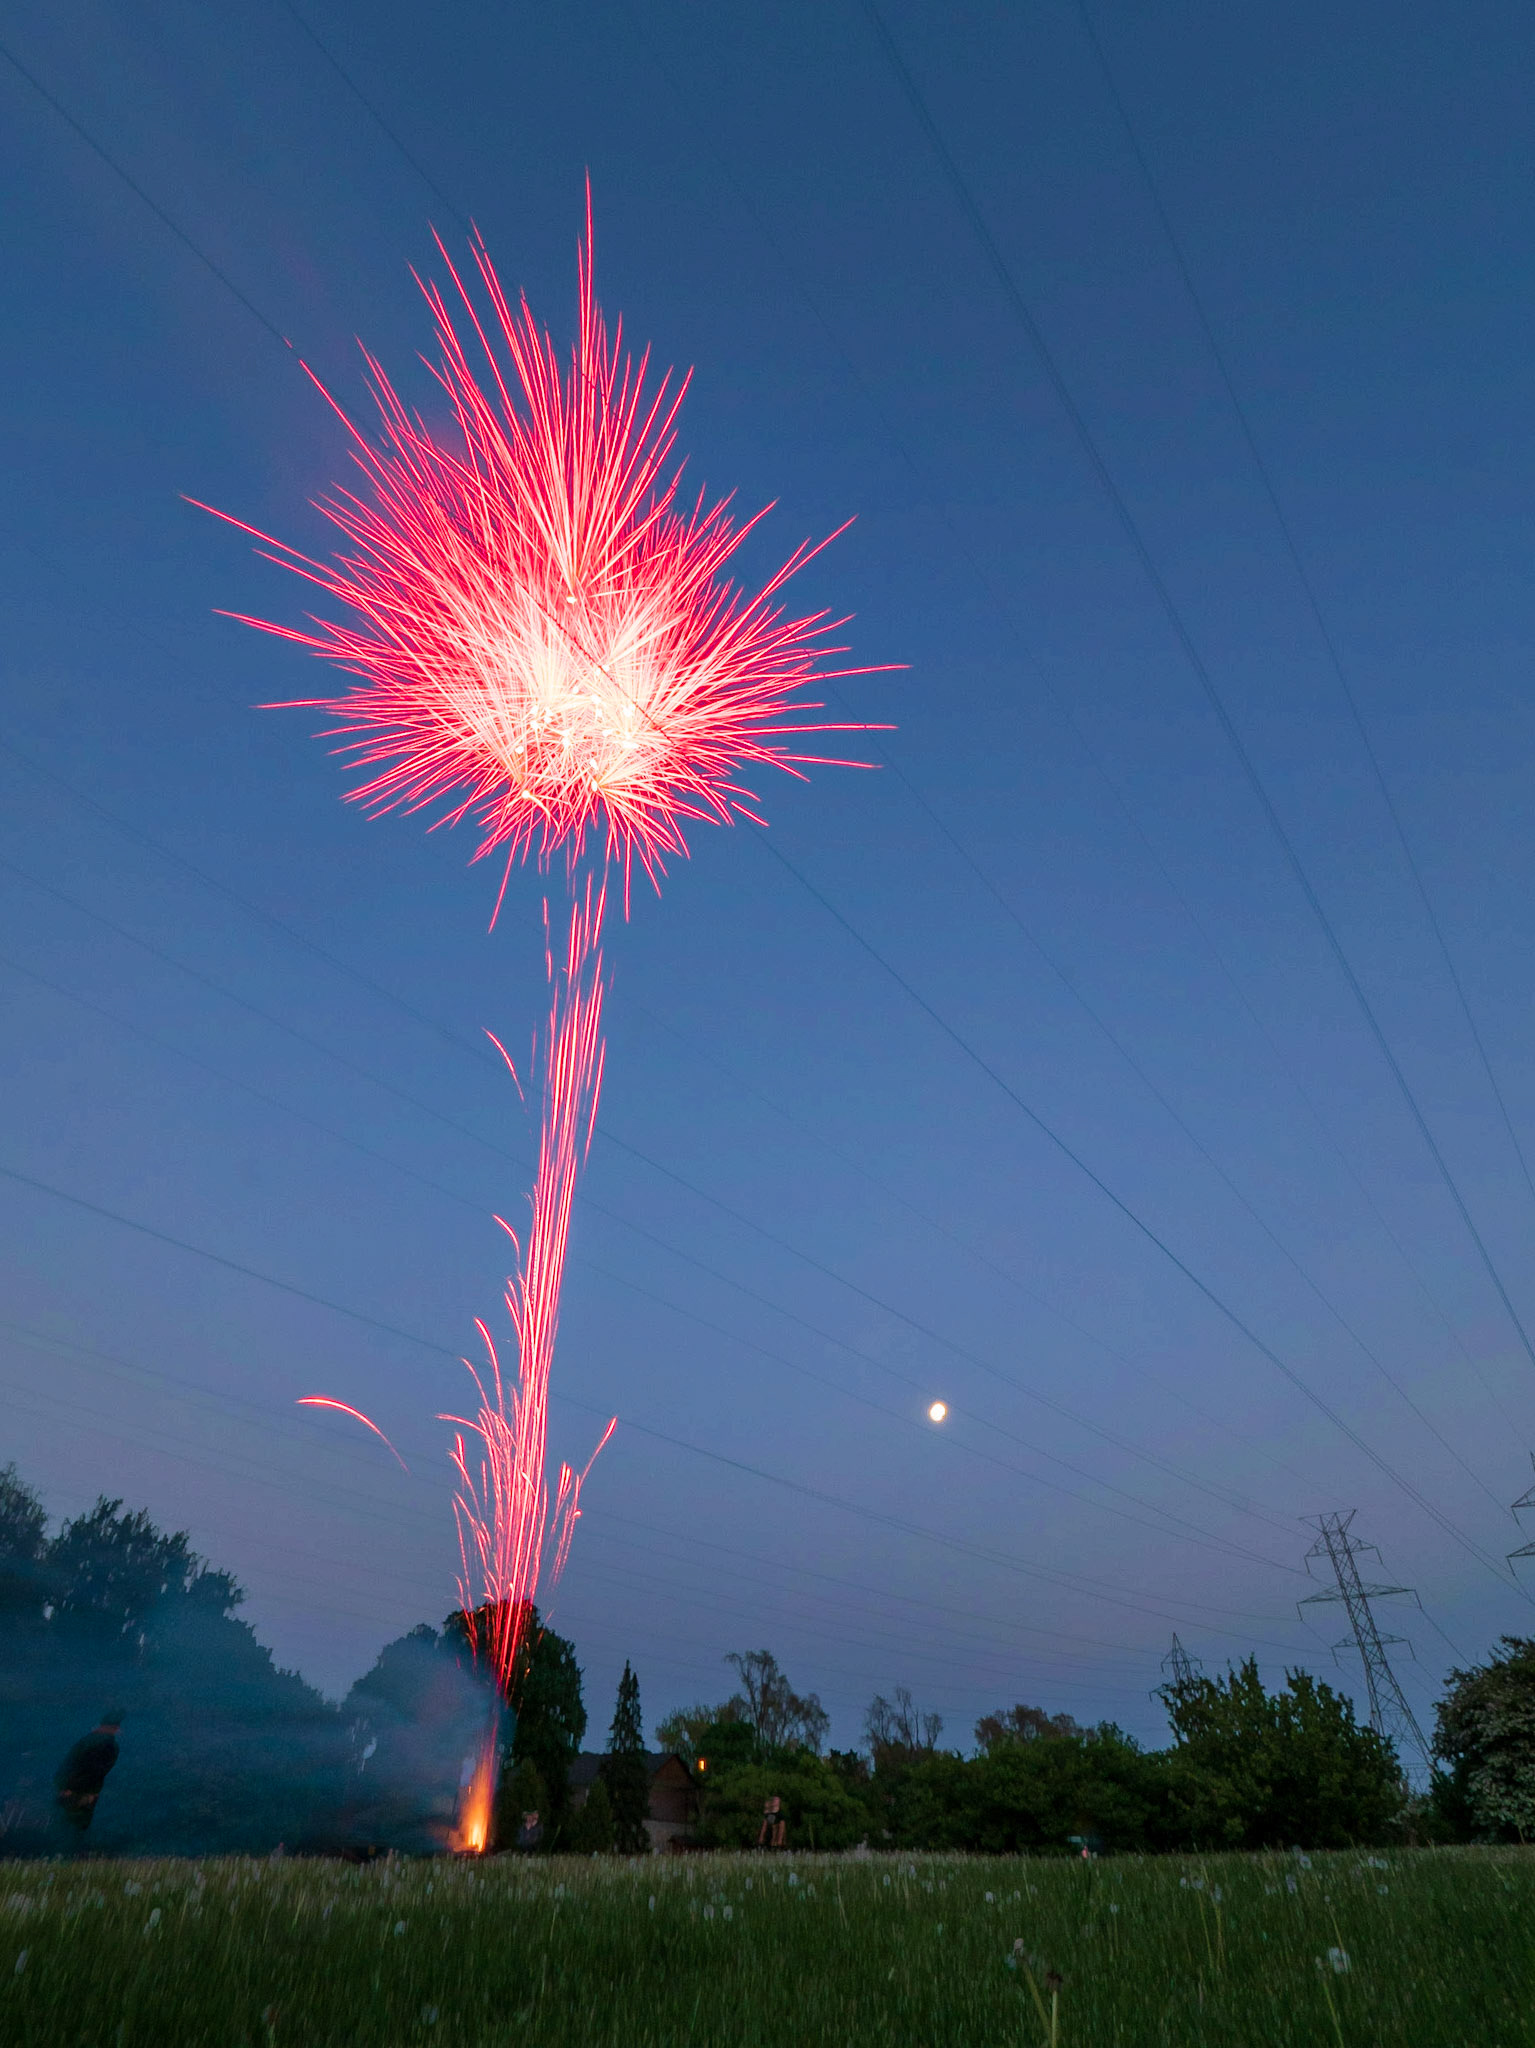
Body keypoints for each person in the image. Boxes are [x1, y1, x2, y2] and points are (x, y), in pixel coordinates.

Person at [54, 1712, 123, 1840]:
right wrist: (88, 1791)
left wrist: (64, 1787)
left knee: (67, 1824)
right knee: (77, 1825)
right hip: (81, 1791)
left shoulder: (86, 1741)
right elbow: (95, 1770)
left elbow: (70, 1764)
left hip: (72, 1789)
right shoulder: (107, 1745)